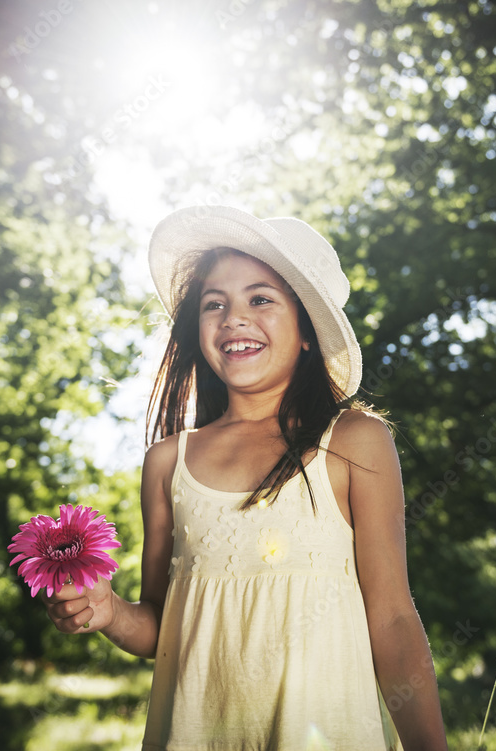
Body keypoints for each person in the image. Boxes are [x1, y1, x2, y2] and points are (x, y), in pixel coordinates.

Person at [43, 206, 448, 750]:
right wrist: (110, 611)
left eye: (260, 298)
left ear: (307, 331)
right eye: (215, 304)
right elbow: (163, 627)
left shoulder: (353, 441)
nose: (233, 317)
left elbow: (394, 617)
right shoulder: (168, 463)